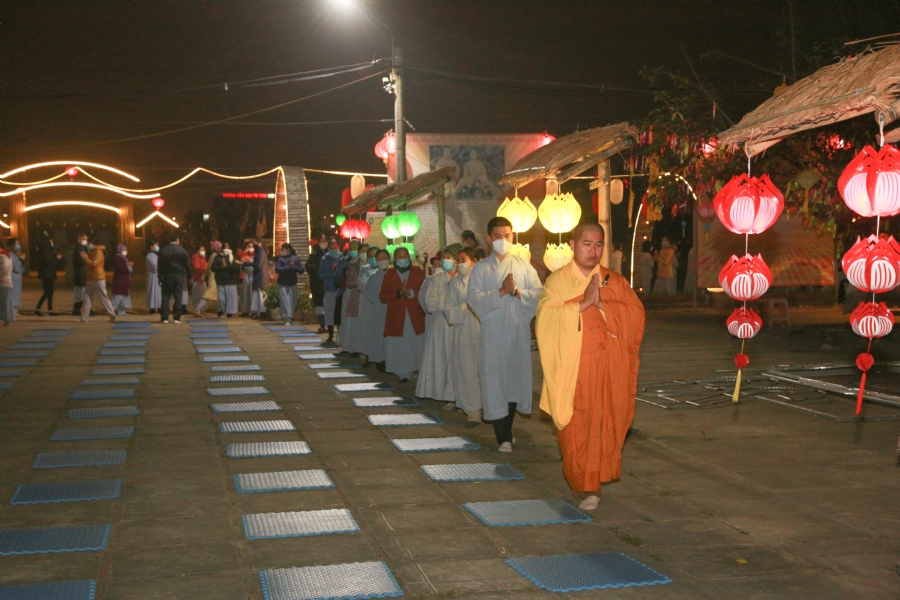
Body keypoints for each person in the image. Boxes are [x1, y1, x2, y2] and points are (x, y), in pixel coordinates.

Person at [536, 222, 645, 511]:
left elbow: (635, 314)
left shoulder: (614, 280)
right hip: (574, 369)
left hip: (609, 368)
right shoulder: (558, 281)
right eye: (586, 244)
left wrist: (606, 304)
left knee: (603, 422)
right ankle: (580, 479)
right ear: (572, 245)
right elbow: (545, 319)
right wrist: (582, 304)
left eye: (599, 245)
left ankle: (592, 486)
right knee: (574, 428)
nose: (593, 251)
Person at [467, 216, 543, 452]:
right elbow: (473, 298)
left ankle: (507, 430)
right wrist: (501, 291)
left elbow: (539, 293)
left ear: (513, 237)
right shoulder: (480, 268)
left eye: (507, 236)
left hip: (518, 333)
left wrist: (518, 293)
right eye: (498, 236)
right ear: (489, 239)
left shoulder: (523, 265)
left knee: (514, 382)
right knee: (495, 382)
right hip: (493, 336)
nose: (503, 240)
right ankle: (503, 437)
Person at [416, 243, 463, 406]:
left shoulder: (464, 279)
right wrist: (449, 295)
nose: (444, 261)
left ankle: (459, 396)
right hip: (439, 325)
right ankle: (443, 394)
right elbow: (430, 304)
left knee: (457, 360)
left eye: (449, 258)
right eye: (443, 257)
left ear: (457, 261)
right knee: (441, 359)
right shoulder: (435, 280)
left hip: (458, 325)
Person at [444, 246, 483, 426]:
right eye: (458, 260)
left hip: (482, 331)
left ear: (474, 262)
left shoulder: (483, 281)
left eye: (463, 260)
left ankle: (489, 409)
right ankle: (472, 411)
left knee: (484, 371)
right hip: (464, 332)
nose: (460, 264)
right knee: (467, 370)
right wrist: (464, 306)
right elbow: (448, 309)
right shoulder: (454, 283)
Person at [379, 247, 426, 383]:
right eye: (399, 256)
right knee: (399, 345)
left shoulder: (417, 272)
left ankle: (419, 370)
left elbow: (425, 292)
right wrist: (399, 293)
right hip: (396, 316)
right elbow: (382, 296)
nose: (402, 258)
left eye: (405, 255)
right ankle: (403, 373)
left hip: (415, 315)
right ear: (394, 259)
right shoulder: (390, 273)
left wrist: (410, 292)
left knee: (416, 344)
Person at [361, 248, 389, 370]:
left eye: (385, 258)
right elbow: (371, 295)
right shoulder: (373, 277)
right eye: (379, 259)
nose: (382, 261)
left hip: (392, 311)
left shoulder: (394, 274)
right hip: (378, 310)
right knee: (378, 336)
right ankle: (379, 360)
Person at [338, 242, 367, 356]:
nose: (364, 254)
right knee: (352, 322)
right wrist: (362, 283)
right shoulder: (353, 265)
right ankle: (351, 346)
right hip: (354, 296)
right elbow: (349, 282)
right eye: (362, 251)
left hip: (366, 297)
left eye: (366, 252)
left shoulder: (373, 266)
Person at [80, 239, 117, 323]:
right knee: (87, 297)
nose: (88, 246)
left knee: (103, 297)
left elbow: (93, 264)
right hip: (91, 278)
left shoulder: (98, 252)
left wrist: (85, 258)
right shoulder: (92, 252)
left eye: (89, 244)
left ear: (94, 244)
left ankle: (112, 314)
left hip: (98, 278)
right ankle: (84, 317)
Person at [157, 235, 191, 323]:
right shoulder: (182, 251)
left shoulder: (163, 251)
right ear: (177, 240)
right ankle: (176, 317)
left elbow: (160, 266)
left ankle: (164, 317)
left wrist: (159, 277)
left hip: (167, 276)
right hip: (179, 276)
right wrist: (189, 276)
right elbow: (187, 265)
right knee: (178, 297)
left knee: (165, 296)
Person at [318, 239, 346, 346]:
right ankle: (330, 334)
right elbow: (321, 275)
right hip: (329, 288)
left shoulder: (342, 258)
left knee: (339, 312)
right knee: (329, 311)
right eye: (331, 248)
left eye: (335, 247)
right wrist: (332, 270)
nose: (333, 250)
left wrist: (338, 270)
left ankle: (340, 333)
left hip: (340, 289)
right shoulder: (324, 259)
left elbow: (344, 272)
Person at [356, 246, 379, 364]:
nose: (372, 259)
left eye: (375, 256)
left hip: (380, 304)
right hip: (367, 303)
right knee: (366, 328)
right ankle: (365, 354)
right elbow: (361, 284)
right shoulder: (364, 269)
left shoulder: (385, 270)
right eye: (370, 256)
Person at [275, 243, 305, 326]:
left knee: (292, 301)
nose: (282, 251)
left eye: (283, 249)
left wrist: (294, 267)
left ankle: (290, 316)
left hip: (293, 283)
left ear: (288, 250)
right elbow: (277, 269)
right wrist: (288, 267)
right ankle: (286, 318)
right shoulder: (280, 259)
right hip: (283, 283)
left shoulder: (295, 258)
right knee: (285, 301)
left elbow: (301, 270)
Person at [211, 243, 240, 317]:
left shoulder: (233, 257)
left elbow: (236, 269)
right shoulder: (218, 257)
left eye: (227, 247)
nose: (226, 249)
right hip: (221, 281)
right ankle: (221, 310)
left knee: (230, 298)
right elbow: (213, 268)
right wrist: (221, 267)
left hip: (231, 281)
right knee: (221, 298)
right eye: (225, 247)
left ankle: (229, 313)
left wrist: (226, 267)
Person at [35, 235, 61, 316]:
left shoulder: (46, 251)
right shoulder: (45, 251)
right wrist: (57, 258)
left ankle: (50, 310)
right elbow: (49, 262)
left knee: (50, 292)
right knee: (47, 292)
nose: (52, 243)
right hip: (47, 274)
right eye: (52, 241)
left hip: (48, 274)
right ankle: (37, 308)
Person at [306, 235, 327, 332]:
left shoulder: (330, 253)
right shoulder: (314, 254)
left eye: (325, 241)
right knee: (319, 304)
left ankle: (330, 325)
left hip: (329, 284)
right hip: (317, 284)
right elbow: (308, 266)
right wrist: (318, 267)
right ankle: (322, 325)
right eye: (321, 241)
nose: (323, 243)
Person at [111, 244, 133, 317]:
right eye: (123, 250)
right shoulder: (118, 258)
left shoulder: (124, 258)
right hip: (120, 279)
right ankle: (111, 309)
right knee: (119, 296)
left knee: (123, 296)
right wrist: (129, 267)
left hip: (124, 279)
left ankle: (121, 311)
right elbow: (121, 269)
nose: (125, 251)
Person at [6, 238, 24, 319]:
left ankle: (15, 310)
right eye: (17, 244)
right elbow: (16, 267)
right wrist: (20, 259)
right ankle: (12, 311)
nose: (18, 245)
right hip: (13, 277)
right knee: (13, 293)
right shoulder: (10, 254)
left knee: (16, 293)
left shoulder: (15, 254)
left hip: (17, 278)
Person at [189, 245, 209, 317]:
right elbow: (197, 267)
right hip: (197, 279)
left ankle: (200, 310)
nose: (203, 251)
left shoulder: (203, 258)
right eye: (201, 249)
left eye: (204, 249)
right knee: (199, 295)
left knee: (202, 294)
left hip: (202, 279)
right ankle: (197, 310)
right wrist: (206, 268)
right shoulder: (196, 257)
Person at [72, 234, 89, 315]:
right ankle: (84, 310)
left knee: (80, 293)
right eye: (84, 239)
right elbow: (81, 260)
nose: (86, 241)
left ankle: (77, 309)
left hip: (79, 273)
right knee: (83, 292)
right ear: (79, 240)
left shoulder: (80, 248)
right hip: (81, 273)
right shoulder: (80, 248)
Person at [238, 243, 255, 316]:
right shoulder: (244, 255)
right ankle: (245, 310)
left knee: (252, 293)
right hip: (246, 275)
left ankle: (253, 310)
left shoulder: (256, 255)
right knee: (245, 293)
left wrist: (247, 261)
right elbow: (241, 266)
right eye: (248, 246)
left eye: (251, 246)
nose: (250, 247)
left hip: (253, 274)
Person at [203, 241, 220, 315]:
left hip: (213, 276)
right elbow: (210, 267)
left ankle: (213, 308)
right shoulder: (214, 256)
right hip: (213, 277)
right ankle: (198, 309)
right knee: (208, 294)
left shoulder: (213, 255)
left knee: (213, 294)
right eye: (219, 247)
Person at [145, 242, 162, 314]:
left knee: (157, 292)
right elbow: (155, 266)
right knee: (153, 291)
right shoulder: (150, 255)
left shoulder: (155, 255)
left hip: (156, 275)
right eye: (156, 245)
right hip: (154, 275)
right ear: (151, 247)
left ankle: (158, 306)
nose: (157, 247)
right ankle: (153, 307)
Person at [0, 246, 12, 327]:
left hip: (4, 282)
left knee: (5, 302)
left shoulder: (3, 257)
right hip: (4, 281)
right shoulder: (5, 256)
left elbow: (5, 270)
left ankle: (7, 320)